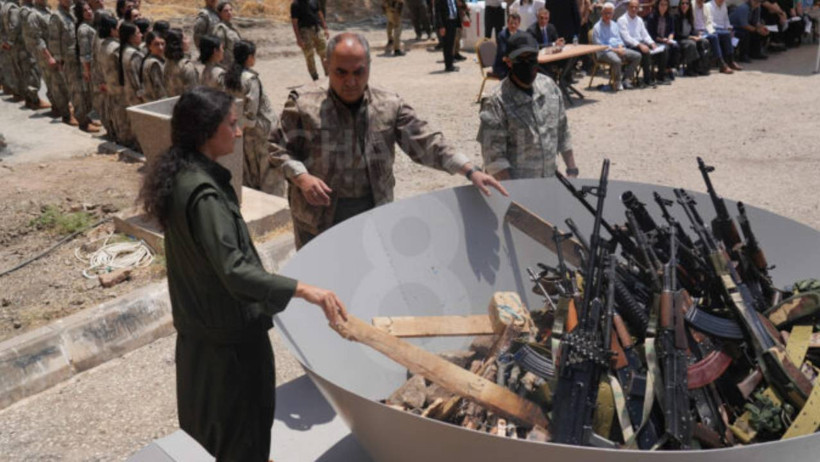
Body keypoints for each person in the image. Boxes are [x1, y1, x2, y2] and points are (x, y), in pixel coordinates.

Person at [138, 86, 348, 462]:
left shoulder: (184, 177)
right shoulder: (205, 195)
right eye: (231, 124)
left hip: (205, 346)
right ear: (206, 131)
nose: (238, 132)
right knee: (243, 439)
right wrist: (304, 290)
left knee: (216, 438)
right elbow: (234, 271)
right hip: (231, 352)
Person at [269, 32, 507, 249]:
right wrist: (302, 177)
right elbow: (276, 146)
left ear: (369, 68)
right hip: (317, 221)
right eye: (341, 72)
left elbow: (425, 141)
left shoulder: (388, 105)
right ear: (326, 65)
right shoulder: (303, 104)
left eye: (358, 72)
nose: (350, 81)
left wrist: (469, 170)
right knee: (319, 286)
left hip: (372, 216)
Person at [477, 31, 578, 181]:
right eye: (521, 59)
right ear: (508, 61)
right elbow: (495, 160)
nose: (528, 64)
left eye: (531, 58)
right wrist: (516, 197)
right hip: (517, 190)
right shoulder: (495, 102)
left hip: (549, 183)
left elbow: (562, 132)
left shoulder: (550, 87)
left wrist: (572, 170)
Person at [224, 40, 284, 196]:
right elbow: (252, 110)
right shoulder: (250, 79)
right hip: (260, 129)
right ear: (249, 57)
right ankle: (272, 200)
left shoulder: (230, 77)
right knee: (268, 167)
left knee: (251, 168)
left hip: (243, 130)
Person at [618, 0, 670, 86]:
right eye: (632, 7)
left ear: (639, 8)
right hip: (630, 45)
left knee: (663, 49)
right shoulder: (622, 20)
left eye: (636, 7)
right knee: (645, 52)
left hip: (641, 43)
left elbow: (645, 34)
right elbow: (626, 37)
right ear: (628, 7)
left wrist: (652, 43)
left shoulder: (639, 19)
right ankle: (647, 79)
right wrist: (640, 45)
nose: (634, 9)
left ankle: (661, 77)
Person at [592, 2, 642, 89]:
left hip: (617, 49)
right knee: (617, 60)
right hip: (604, 52)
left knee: (637, 56)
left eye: (610, 13)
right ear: (602, 13)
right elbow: (600, 46)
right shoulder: (597, 27)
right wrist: (615, 50)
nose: (608, 15)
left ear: (613, 13)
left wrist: (620, 47)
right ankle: (617, 82)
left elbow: (619, 39)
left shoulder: (614, 25)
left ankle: (626, 79)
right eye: (606, 13)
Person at [47, 0, 76, 125]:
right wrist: (58, 59)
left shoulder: (73, 12)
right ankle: (66, 116)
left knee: (74, 87)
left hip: (73, 57)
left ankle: (75, 113)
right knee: (62, 88)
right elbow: (54, 40)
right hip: (63, 59)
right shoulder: (56, 17)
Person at [74, 1, 101, 133]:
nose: (89, 12)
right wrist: (87, 70)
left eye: (89, 9)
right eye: (85, 10)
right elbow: (85, 53)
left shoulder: (90, 25)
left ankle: (89, 120)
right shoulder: (83, 29)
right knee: (86, 96)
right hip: (88, 67)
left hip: (92, 66)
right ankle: (84, 123)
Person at [16, 0, 48, 109]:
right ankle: (34, 101)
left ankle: (31, 99)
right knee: (32, 74)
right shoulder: (26, 11)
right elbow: (28, 31)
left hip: (27, 47)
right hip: (28, 48)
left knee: (31, 73)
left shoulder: (27, 8)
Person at [118, 21, 144, 148]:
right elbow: (137, 80)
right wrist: (142, 96)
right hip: (136, 96)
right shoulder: (134, 55)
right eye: (138, 33)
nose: (141, 35)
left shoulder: (126, 50)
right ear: (131, 37)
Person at [693, 0, 737, 73]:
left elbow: (709, 22)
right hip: (698, 31)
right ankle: (722, 64)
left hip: (707, 29)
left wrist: (728, 28)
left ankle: (730, 60)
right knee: (714, 37)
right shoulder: (695, 6)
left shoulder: (705, 7)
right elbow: (692, 22)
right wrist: (699, 32)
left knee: (726, 34)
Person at [291, 0, 329, 81]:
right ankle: (315, 78)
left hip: (317, 29)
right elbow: (294, 22)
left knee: (324, 53)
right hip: (304, 31)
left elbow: (320, 14)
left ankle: (328, 76)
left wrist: (325, 28)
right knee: (309, 56)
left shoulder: (314, 1)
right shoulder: (295, 4)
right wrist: (298, 38)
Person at [95, 14, 119, 138]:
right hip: (116, 86)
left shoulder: (102, 44)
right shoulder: (115, 48)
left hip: (107, 83)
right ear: (112, 30)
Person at [675, 0, 711, 76]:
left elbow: (692, 30)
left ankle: (702, 67)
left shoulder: (690, 16)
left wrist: (697, 35)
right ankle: (690, 69)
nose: (684, 5)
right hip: (680, 39)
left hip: (689, 38)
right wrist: (691, 37)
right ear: (680, 5)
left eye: (687, 3)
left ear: (689, 6)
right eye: (683, 3)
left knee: (704, 41)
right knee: (691, 44)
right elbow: (677, 34)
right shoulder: (676, 17)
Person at [645, 0, 679, 80]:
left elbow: (672, 30)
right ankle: (662, 72)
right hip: (655, 41)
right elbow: (651, 34)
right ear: (658, 5)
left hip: (666, 40)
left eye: (665, 5)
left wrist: (670, 37)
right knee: (665, 48)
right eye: (661, 5)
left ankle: (669, 69)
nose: (663, 7)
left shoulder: (670, 17)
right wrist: (662, 40)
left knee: (676, 46)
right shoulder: (652, 17)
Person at [163, 28, 199, 97]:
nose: (189, 40)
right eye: (185, 38)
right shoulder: (187, 66)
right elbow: (193, 94)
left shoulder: (167, 63)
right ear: (180, 44)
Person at [708, 0, 743, 70]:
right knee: (724, 34)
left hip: (722, 29)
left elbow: (726, 20)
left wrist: (729, 28)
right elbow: (708, 22)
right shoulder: (708, 6)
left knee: (730, 33)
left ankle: (731, 61)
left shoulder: (723, 5)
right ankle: (722, 63)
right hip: (712, 28)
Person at [491, 12, 521, 79]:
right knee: (514, 77)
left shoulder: (521, 34)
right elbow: (504, 52)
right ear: (507, 23)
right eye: (511, 23)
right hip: (502, 65)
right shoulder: (502, 35)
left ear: (519, 24)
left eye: (515, 23)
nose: (513, 25)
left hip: (516, 64)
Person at [434, 0, 462, 71]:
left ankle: (451, 63)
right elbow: (438, 13)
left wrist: (459, 23)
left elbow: (455, 8)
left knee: (452, 44)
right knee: (447, 45)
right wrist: (441, 26)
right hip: (445, 23)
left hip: (453, 22)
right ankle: (448, 66)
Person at [140, 30, 166, 101]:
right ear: (149, 46)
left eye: (162, 44)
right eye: (156, 44)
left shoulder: (151, 60)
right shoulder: (154, 63)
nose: (160, 47)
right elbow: (159, 89)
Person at [213, 1, 241, 67]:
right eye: (226, 11)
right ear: (219, 13)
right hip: (226, 66)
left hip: (235, 64)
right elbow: (219, 51)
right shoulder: (221, 29)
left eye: (230, 10)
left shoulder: (232, 27)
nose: (229, 13)